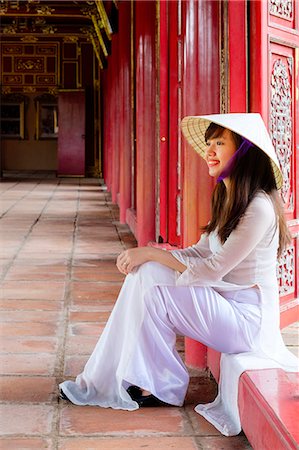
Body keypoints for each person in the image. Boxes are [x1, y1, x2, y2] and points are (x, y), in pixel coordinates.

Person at [59, 113, 298, 436]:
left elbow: (213, 269)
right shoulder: (230, 198)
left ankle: (155, 382)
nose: (209, 151)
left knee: (153, 272)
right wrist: (150, 256)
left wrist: (153, 254)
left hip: (247, 324)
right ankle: (152, 384)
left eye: (220, 144)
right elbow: (200, 252)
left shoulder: (258, 207)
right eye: (209, 143)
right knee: (147, 274)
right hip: (225, 307)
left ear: (243, 151)